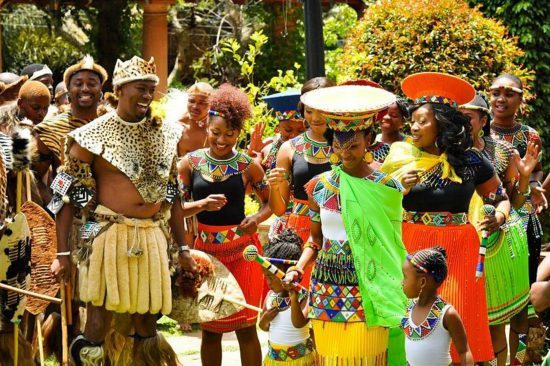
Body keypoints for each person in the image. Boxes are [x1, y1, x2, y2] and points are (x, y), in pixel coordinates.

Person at [50, 55, 196, 365]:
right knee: (98, 320)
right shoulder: (91, 135)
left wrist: (183, 248)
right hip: (106, 235)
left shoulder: (166, 134)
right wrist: (62, 254)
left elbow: (174, 197)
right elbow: (62, 196)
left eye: (150, 90)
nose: (146, 96)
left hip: (152, 236)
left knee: (146, 320)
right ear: (119, 89)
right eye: (140, 88)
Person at [380, 72, 510, 363]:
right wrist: (397, 186)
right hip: (412, 248)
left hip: (460, 251)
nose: (413, 127)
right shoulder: (400, 156)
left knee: (457, 315)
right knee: (412, 316)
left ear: (443, 123)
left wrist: (499, 218)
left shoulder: (471, 160)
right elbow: (376, 205)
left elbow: (501, 198)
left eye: (422, 121)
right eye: (412, 120)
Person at [284, 84, 406, 365]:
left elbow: (393, 242)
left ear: (368, 142)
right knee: (330, 356)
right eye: (338, 146)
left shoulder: (387, 187)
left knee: (367, 355)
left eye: (353, 146)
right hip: (327, 282)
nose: (345, 153)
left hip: (370, 282)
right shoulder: (319, 187)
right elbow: (315, 240)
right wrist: (299, 268)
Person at [178, 83, 271, 366]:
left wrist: (255, 219)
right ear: (206, 125)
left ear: (238, 133)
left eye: (229, 134)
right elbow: (176, 208)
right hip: (206, 252)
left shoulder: (246, 165)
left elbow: (271, 203)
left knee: (245, 328)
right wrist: (201, 205)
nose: (222, 140)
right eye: (216, 132)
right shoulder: (189, 163)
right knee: (210, 329)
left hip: (243, 252)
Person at [460, 93, 539, 365]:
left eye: (467, 116)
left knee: (502, 317)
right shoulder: (447, 152)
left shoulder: (503, 152)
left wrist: (525, 176)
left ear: (482, 120)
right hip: (462, 241)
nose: (460, 121)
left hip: (499, 242)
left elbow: (515, 201)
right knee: (470, 315)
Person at [268, 77, 335, 286]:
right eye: (309, 110)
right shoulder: (289, 148)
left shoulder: (348, 145)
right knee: (298, 291)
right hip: (300, 229)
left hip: (337, 227)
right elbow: (279, 209)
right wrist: (274, 185)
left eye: (321, 110)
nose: (315, 117)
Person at [33, 55, 107, 205]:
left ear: (101, 89)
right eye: (78, 84)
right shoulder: (50, 129)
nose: (85, 88)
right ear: (68, 90)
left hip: (110, 218)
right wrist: (55, 210)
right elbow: (36, 178)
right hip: (69, 218)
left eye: (92, 83)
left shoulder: (113, 127)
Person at [401, 246, 473, 366]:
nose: (402, 282)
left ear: (422, 282)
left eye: (405, 277)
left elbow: (464, 352)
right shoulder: (409, 308)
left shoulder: (447, 314)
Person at [253, 89, 306, 239]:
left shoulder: (311, 151)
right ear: (278, 128)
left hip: (306, 220)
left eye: (300, 130)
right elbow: (255, 187)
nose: (294, 135)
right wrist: (253, 156)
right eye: (288, 129)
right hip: (280, 221)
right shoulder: (269, 149)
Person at [259, 228, 315, 366]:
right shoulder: (270, 297)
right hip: (274, 360)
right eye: (266, 277)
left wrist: (293, 296)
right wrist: (265, 319)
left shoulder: (304, 296)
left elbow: (299, 323)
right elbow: (264, 327)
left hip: (300, 361)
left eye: (272, 277)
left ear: (287, 272)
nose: (269, 282)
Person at [369, 97, 411, 169]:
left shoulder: (411, 144)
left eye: (394, 115)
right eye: (383, 113)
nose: (386, 117)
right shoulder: (371, 142)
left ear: (403, 122)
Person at [175, 81, 214, 157]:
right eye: (191, 101)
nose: (195, 107)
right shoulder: (177, 127)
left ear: (211, 104)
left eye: (201, 103)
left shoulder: (216, 129)